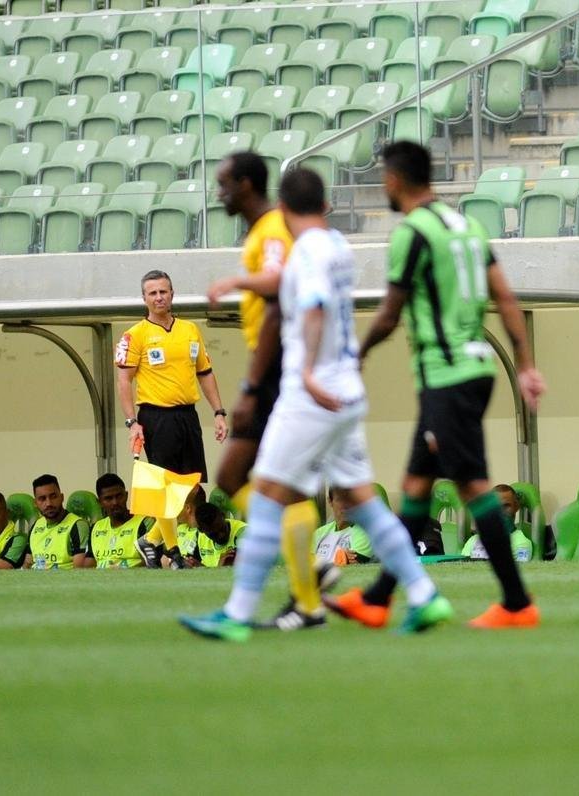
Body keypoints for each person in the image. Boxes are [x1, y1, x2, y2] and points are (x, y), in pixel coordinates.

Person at [179, 167, 452, 641]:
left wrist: (305, 372)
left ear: (283, 207)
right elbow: (286, 281)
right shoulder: (337, 246)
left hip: (311, 392)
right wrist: (239, 282)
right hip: (346, 389)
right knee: (363, 502)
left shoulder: (306, 250)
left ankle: (238, 614)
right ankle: (426, 595)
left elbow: (314, 305)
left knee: (263, 495)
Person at [328, 141, 547, 630]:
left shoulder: (414, 233)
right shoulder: (467, 226)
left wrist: (356, 356)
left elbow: (390, 310)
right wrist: (526, 362)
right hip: (469, 370)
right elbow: (505, 298)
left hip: (449, 377)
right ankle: (381, 597)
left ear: (394, 179)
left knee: (472, 486)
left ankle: (516, 603)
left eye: (383, 177)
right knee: (414, 489)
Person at [204, 151, 331, 625]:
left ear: (245, 184)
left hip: (277, 368)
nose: (219, 193)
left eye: (223, 183)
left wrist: (252, 386)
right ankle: (309, 584)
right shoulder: (266, 230)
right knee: (266, 485)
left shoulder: (273, 229)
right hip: (279, 367)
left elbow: (277, 299)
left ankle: (308, 584)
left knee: (237, 478)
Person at [117, 269, 228, 568]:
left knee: (191, 487)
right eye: (152, 293)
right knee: (164, 487)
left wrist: (218, 412)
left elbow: (204, 372)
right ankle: (174, 552)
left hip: (186, 415)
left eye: (163, 291)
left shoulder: (190, 330)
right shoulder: (135, 335)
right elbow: (124, 381)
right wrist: (132, 422)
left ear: (172, 294)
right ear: (143, 298)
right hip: (156, 416)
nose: (158, 297)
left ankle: (150, 540)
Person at [87, 473, 153, 569]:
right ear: (99, 502)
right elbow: (88, 566)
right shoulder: (95, 528)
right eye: (108, 498)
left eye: (119, 496)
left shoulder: (144, 523)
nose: (115, 502)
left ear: (126, 495)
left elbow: (152, 564)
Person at [26, 474, 90, 570]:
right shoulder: (36, 525)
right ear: (35, 503)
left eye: (53, 496)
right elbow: (27, 563)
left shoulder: (77, 525)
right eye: (42, 499)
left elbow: (79, 571)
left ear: (62, 497)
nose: (49, 503)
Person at [462, 484, 533, 562]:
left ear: (516, 507)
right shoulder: (474, 540)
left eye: (506, 506)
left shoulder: (521, 544)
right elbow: (460, 569)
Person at [313, 488, 373, 565]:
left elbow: (353, 564)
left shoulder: (365, 531)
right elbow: (305, 562)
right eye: (340, 500)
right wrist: (341, 557)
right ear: (330, 502)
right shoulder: (319, 533)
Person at [193, 502, 245, 567]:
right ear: (201, 530)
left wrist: (219, 570)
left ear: (223, 515)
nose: (221, 535)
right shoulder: (200, 538)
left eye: (222, 528)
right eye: (214, 534)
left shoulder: (243, 533)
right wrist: (202, 569)